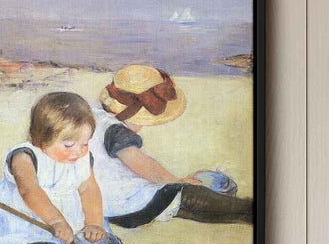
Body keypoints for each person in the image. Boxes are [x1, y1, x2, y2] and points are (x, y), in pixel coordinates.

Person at [0, 92, 181, 244]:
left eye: (84, 143)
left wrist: (93, 222)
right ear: (41, 138)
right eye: (69, 145)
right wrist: (55, 221)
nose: (78, 152)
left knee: (100, 239)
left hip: (67, 215)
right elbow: (30, 191)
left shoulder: (82, 157)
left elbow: (89, 189)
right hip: (24, 222)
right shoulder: (24, 156)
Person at [90, 64, 254, 228]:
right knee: (190, 196)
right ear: (132, 113)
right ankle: (247, 210)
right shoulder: (116, 132)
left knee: (196, 184)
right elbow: (147, 168)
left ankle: (224, 194)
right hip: (129, 206)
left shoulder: (91, 117)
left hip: (104, 205)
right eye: (143, 121)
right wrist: (178, 181)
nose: (142, 127)